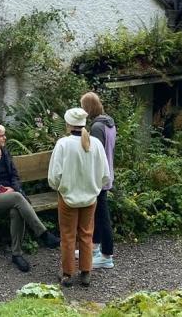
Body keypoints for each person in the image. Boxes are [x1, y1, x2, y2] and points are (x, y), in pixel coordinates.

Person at [0, 123, 61, 272]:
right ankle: (44, 234)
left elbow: (14, 175)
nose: (5, 137)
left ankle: (17, 254)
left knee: (16, 210)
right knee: (18, 199)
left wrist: (13, 188)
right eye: (2, 135)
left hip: (10, 195)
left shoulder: (5, 152)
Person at [48, 107, 111, 288]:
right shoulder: (96, 144)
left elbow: (54, 176)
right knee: (86, 234)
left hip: (67, 197)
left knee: (68, 235)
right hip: (90, 198)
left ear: (68, 124)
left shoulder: (63, 144)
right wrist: (94, 188)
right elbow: (105, 174)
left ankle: (67, 274)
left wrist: (59, 188)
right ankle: (86, 272)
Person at [80, 91, 116, 269]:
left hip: (99, 177)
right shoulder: (109, 122)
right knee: (97, 213)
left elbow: (95, 154)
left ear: (88, 108)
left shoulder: (96, 128)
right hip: (108, 173)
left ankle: (107, 255)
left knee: (102, 215)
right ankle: (94, 247)